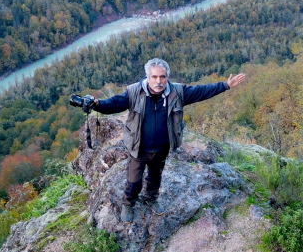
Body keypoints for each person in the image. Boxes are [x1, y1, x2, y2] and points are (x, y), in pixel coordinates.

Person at [92, 58, 246, 223]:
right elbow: (113, 104)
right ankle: (128, 204)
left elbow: (201, 91)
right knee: (133, 181)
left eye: (162, 77)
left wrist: (225, 85)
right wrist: (96, 104)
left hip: (162, 148)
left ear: (167, 77)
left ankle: (150, 199)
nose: (159, 81)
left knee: (155, 178)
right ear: (147, 77)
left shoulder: (177, 92)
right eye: (155, 77)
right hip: (138, 148)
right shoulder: (134, 92)